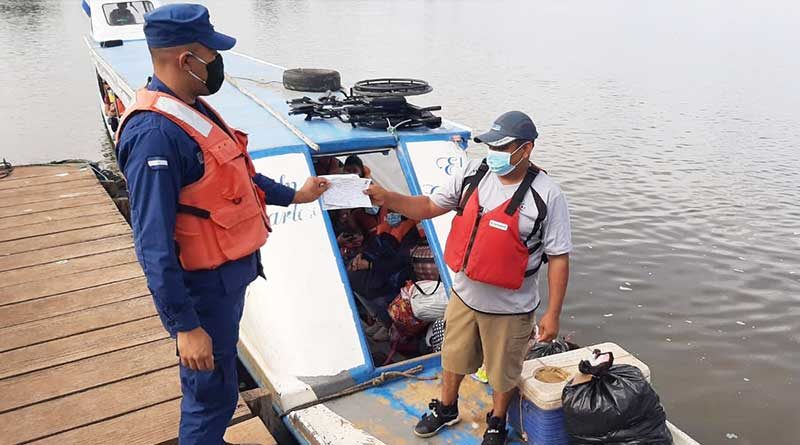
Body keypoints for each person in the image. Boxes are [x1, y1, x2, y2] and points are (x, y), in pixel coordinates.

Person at [114, 4, 328, 444]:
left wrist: (296, 194)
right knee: (208, 398)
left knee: (223, 389)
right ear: (185, 60)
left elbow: (238, 173)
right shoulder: (155, 135)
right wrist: (185, 328)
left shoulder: (192, 108)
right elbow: (152, 244)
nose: (217, 62)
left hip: (227, 284)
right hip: (202, 295)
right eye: (210, 52)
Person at [366, 111, 571, 445]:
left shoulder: (547, 196)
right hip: (464, 295)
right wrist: (388, 197)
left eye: (503, 146)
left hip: (512, 307)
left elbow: (559, 258)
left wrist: (553, 313)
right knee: (454, 356)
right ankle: (447, 408)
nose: (494, 153)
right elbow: (428, 206)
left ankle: (497, 421)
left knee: (504, 370)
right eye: (491, 145)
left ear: (527, 148)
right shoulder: (472, 175)